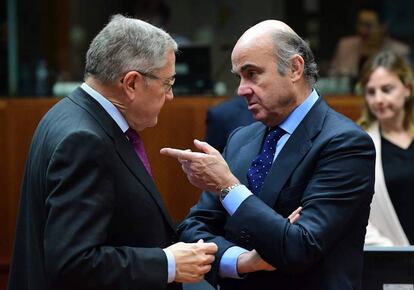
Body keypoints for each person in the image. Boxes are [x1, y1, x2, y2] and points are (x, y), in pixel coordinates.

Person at [160, 20, 376, 290]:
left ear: (295, 68)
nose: (241, 89)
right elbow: (193, 228)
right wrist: (240, 261)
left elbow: (299, 247)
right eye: (239, 76)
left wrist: (229, 188)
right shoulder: (241, 139)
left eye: (252, 74)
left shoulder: (345, 143)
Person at [7, 15, 217, 290]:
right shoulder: (84, 140)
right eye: (167, 83)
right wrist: (167, 263)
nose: (170, 96)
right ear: (131, 83)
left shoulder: (67, 112)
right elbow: (73, 263)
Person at [357, 51, 414, 246]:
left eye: (387, 89)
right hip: (392, 259)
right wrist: (391, 252)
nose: (378, 100)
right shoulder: (358, 143)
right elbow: (354, 213)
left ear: (407, 89)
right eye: (371, 92)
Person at [330, 2, 410, 80]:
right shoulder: (345, 46)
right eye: (360, 24)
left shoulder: (399, 52)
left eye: (368, 26)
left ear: (383, 26)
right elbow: (331, 80)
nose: (362, 30)